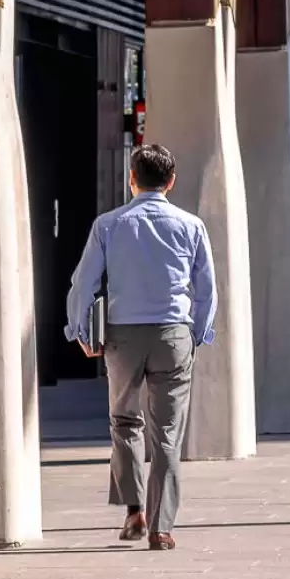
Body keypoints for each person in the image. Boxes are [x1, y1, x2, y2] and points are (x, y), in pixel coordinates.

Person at [64, 141, 216, 551]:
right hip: (173, 333)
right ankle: (161, 527)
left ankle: (133, 510)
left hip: (123, 335)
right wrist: (197, 334)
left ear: (132, 180)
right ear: (171, 181)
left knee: (124, 422)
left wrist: (79, 330)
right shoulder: (191, 225)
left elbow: (84, 283)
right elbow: (206, 291)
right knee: (167, 433)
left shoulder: (109, 225)